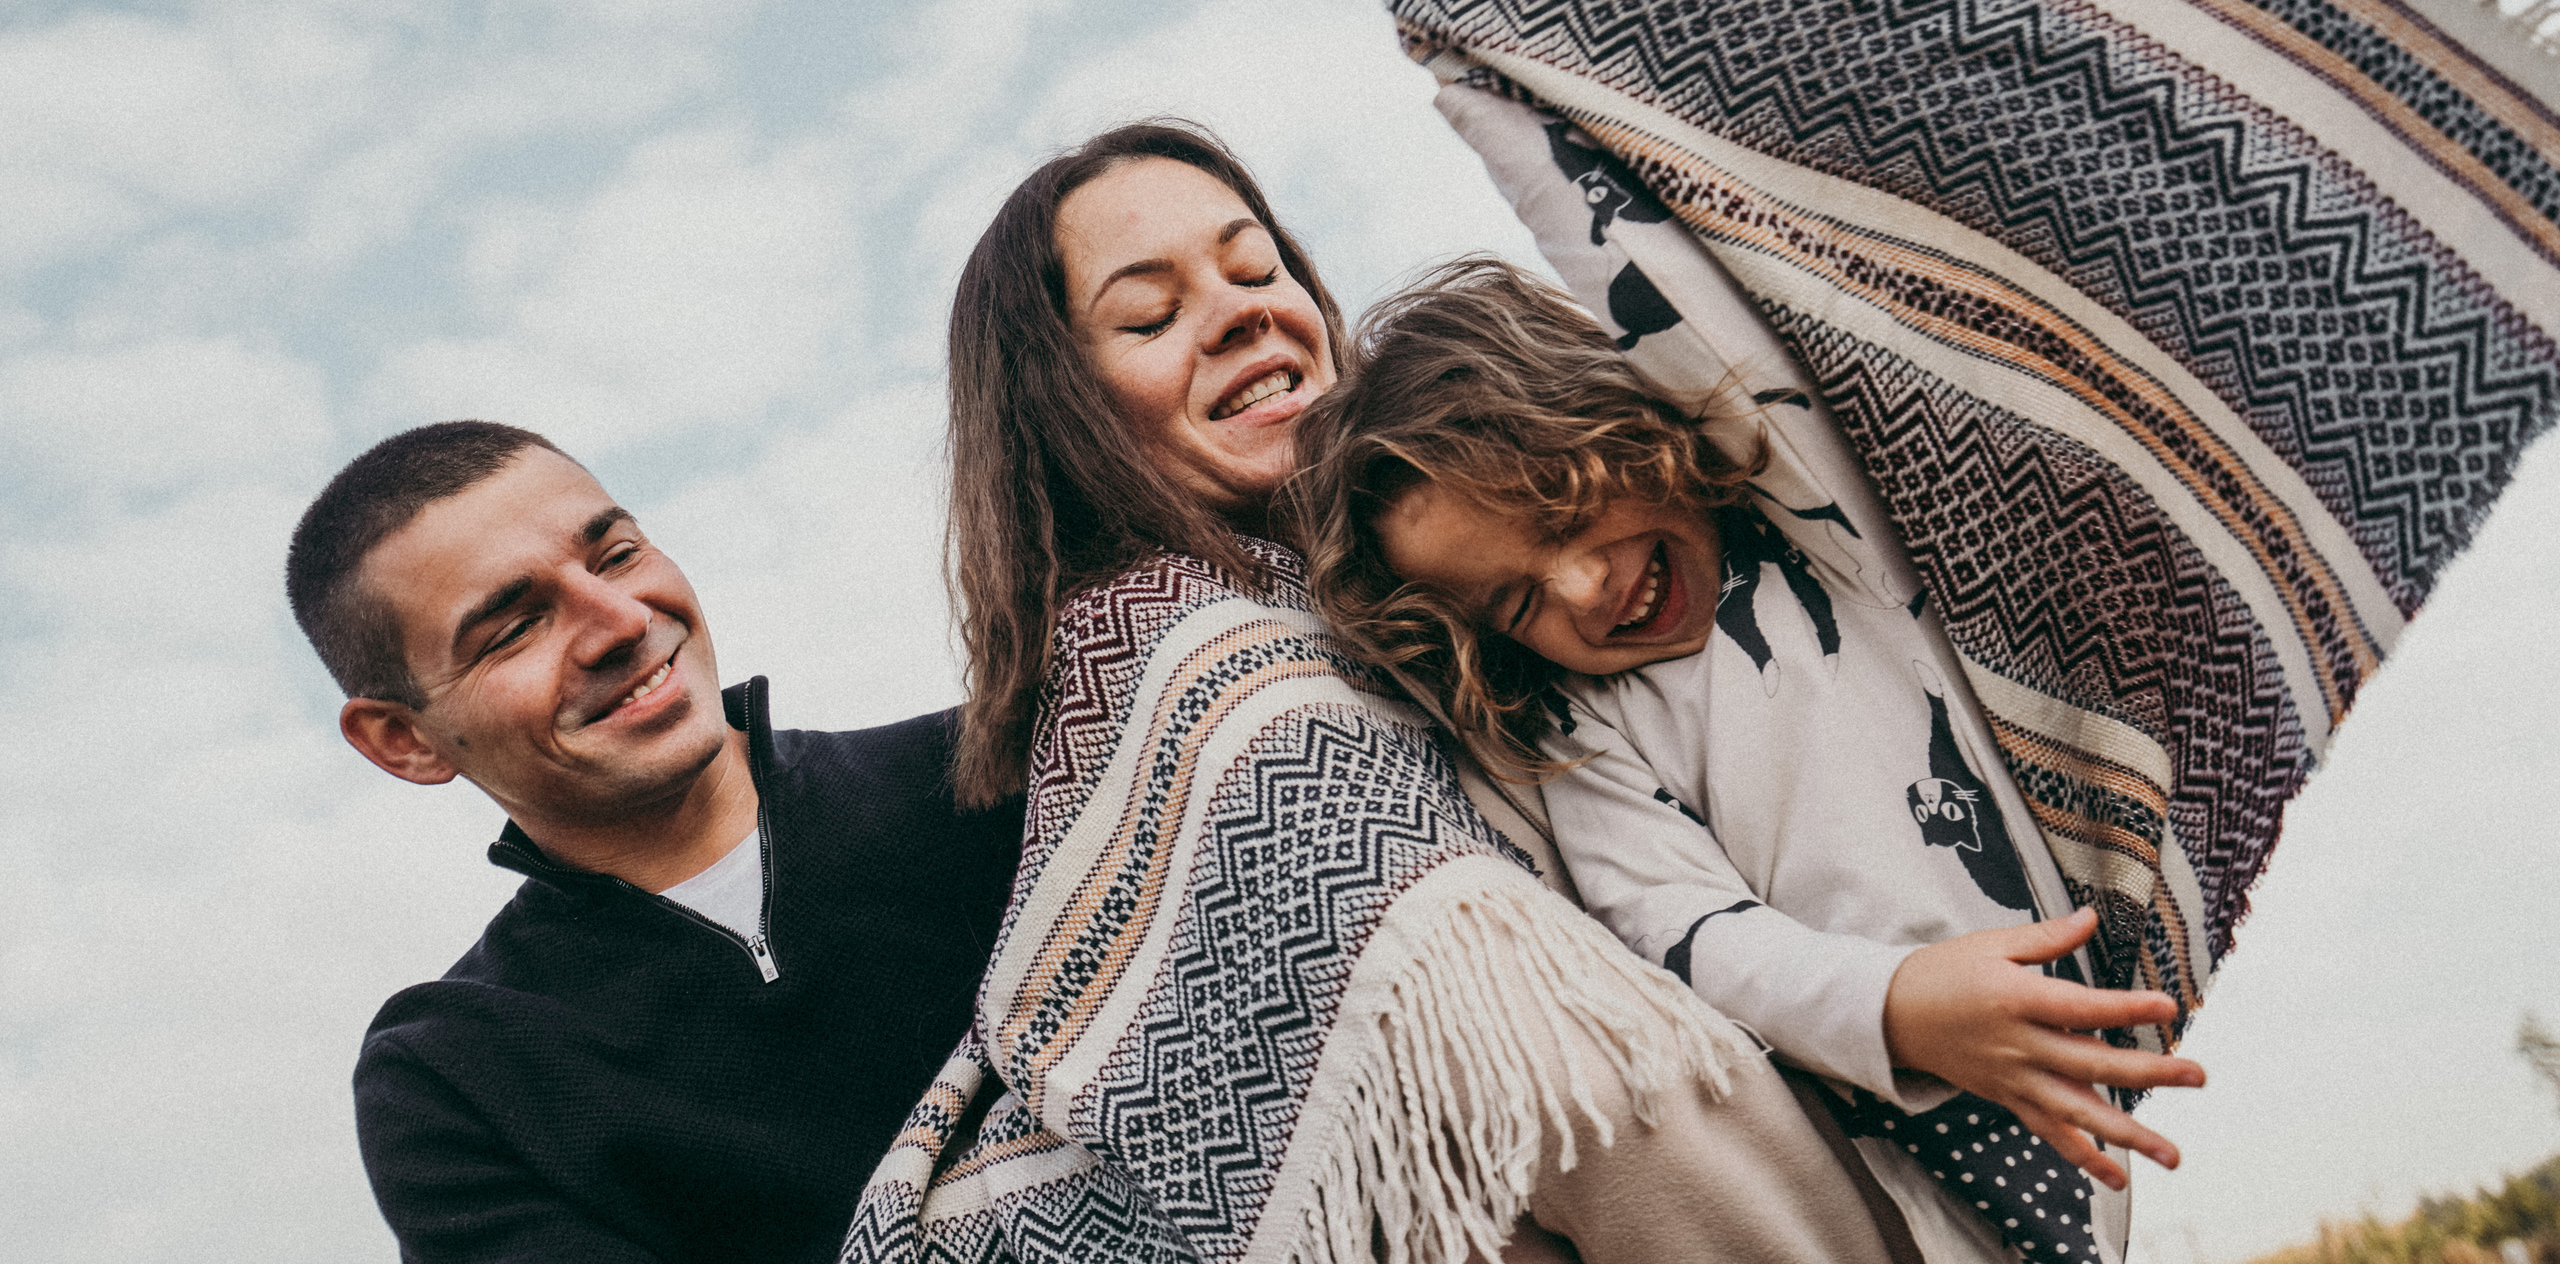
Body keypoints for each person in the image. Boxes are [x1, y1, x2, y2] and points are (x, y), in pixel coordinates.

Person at [874, 117, 1914, 1264]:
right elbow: (1576, 1084)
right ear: (1060, 416)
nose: (1239, 310)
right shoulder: (1190, 653)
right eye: (1151, 315)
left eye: (1255, 265)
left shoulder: (1421, 591)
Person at [1285, 257, 2211, 1264]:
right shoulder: (1589, 727)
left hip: (2093, 968)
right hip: (1919, 1100)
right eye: (1516, 604)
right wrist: (1894, 1007)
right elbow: (1685, 931)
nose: (1583, 586)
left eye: (1561, 510)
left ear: (1619, 420)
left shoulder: (1812, 506)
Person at [287, 421, 1022, 1264]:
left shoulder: (1011, 775)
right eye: (514, 628)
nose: (621, 622)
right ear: (402, 740)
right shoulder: (455, 1076)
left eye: (618, 555)